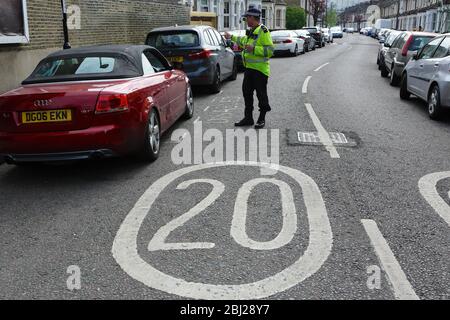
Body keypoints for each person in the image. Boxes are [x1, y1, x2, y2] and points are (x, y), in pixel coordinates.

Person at [224, 8, 274, 129]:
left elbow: (270, 51)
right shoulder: (252, 31)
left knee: (261, 95)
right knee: (247, 93)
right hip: (249, 69)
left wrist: (254, 49)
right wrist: (232, 37)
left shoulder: (263, 31)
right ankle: (248, 118)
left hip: (260, 70)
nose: (246, 20)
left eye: (247, 17)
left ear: (253, 17)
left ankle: (261, 118)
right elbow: (244, 42)